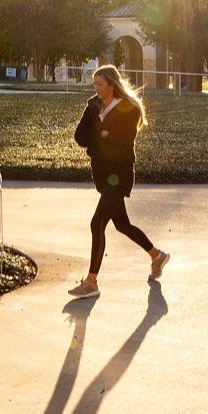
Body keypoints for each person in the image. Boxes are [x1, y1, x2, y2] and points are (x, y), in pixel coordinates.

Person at [67, 65, 169, 299]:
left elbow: (124, 141)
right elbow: (80, 137)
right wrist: (101, 135)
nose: (96, 88)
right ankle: (157, 256)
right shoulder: (93, 105)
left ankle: (91, 282)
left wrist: (103, 135)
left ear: (111, 85)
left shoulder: (129, 108)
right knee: (122, 224)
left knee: (97, 223)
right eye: (95, 84)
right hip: (102, 175)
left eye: (100, 84)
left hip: (119, 174)